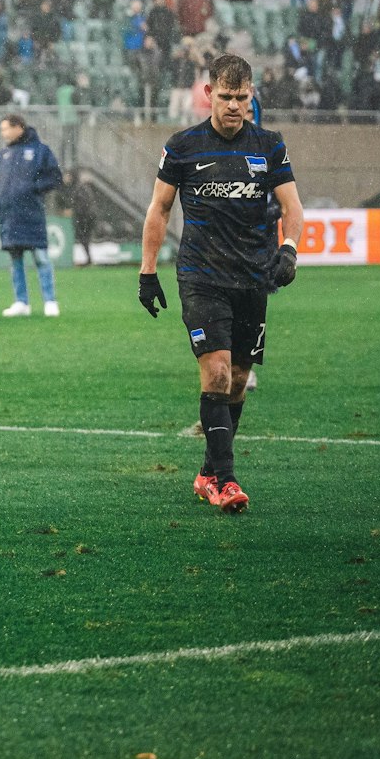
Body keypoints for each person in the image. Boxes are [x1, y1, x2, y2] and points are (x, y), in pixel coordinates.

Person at [138, 54, 303, 514]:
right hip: (201, 276)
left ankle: (208, 471)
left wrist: (289, 249)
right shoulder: (184, 146)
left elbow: (293, 207)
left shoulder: (268, 146)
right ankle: (226, 481)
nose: (234, 105)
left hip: (253, 277)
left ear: (252, 96)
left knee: (239, 381)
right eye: (226, 96)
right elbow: (159, 210)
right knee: (217, 373)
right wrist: (147, 272)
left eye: (242, 97)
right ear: (209, 94)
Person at [0, 113, 62, 316]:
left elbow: (55, 176)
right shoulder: (3, 154)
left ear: (18, 127)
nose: (3, 133)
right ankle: (21, 302)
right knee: (15, 260)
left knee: (41, 257)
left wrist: (33, 189)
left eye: (5, 129)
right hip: (10, 216)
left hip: (32, 215)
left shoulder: (40, 151)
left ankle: (50, 301)